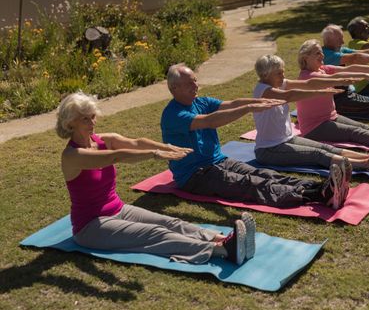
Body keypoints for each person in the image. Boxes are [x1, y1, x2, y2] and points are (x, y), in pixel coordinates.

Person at [57, 91, 256, 266]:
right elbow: (114, 157)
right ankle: (223, 251)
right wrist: (154, 154)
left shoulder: (101, 140)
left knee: (171, 222)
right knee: (155, 234)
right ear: (70, 123)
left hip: (118, 208)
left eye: (92, 117)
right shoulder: (72, 156)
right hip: (91, 226)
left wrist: (165, 147)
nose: (92, 123)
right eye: (85, 119)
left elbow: (135, 142)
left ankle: (224, 239)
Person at [160, 65, 350, 210]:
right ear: (174, 88)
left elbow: (232, 103)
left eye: (195, 80)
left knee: (263, 174)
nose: (196, 85)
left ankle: (322, 186)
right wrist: (249, 108)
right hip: (195, 174)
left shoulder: (201, 101)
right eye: (189, 83)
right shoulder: (173, 115)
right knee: (249, 184)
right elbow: (210, 121)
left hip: (218, 160)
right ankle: (317, 195)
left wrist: (258, 101)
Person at [252, 54, 369, 176]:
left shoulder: (280, 83)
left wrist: (337, 81)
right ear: (266, 75)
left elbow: (308, 83)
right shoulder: (263, 91)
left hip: (286, 139)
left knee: (326, 148)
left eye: (283, 72)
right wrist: (320, 92)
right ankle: (368, 165)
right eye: (279, 73)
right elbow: (290, 95)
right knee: (317, 155)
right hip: (269, 150)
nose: (283, 76)